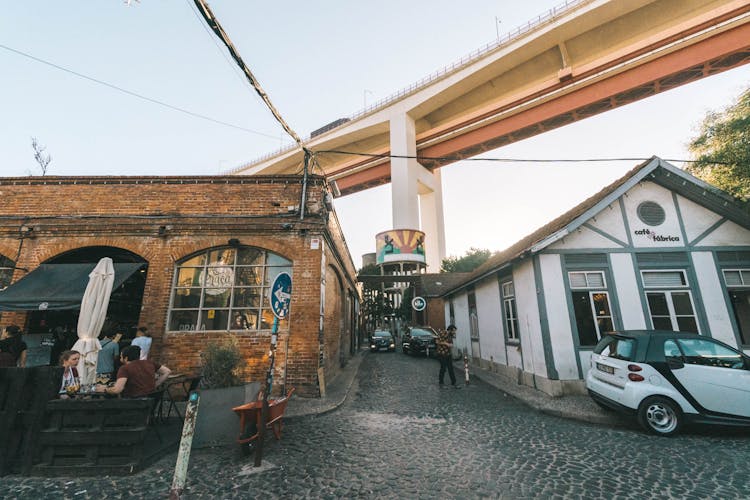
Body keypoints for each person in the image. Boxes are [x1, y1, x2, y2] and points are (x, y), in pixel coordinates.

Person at [96, 345, 171, 398]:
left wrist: (104, 389)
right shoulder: (149, 363)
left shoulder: (125, 368)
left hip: (132, 403)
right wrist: (155, 384)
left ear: (126, 358)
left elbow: (117, 389)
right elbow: (167, 371)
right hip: (150, 400)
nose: (120, 359)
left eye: (121, 356)